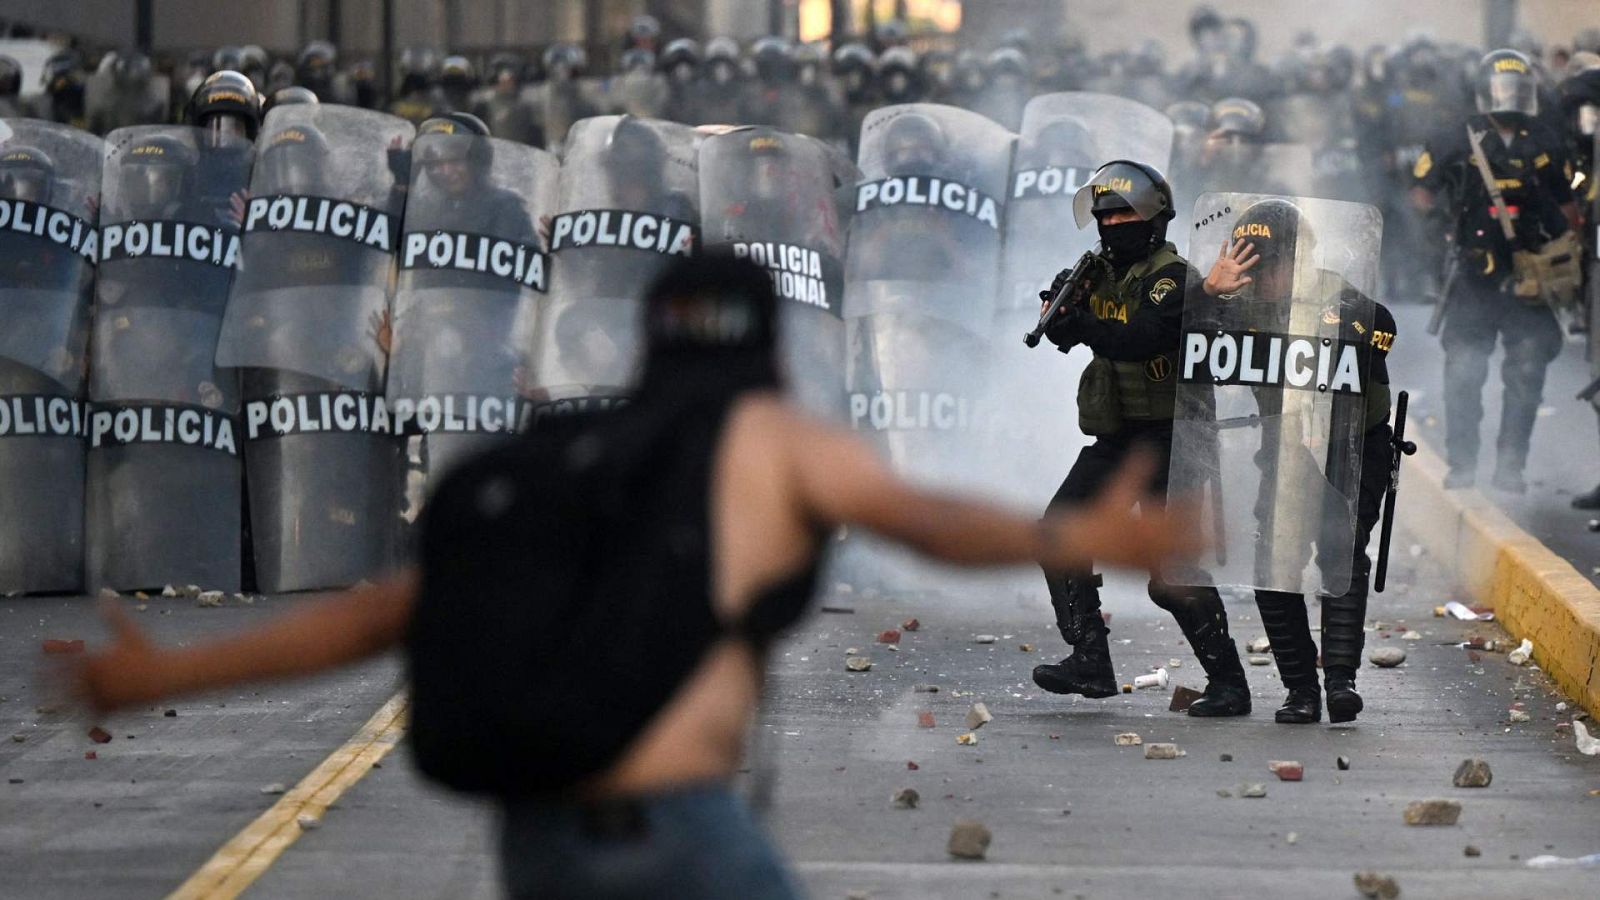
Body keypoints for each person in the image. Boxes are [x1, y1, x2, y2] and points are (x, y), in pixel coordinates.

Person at [73, 250, 1203, 900]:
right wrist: (1070, 540)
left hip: (539, 845)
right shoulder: (760, 434)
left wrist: (160, 673)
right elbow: (921, 518)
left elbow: (372, 622)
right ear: (764, 344)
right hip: (675, 837)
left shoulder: (564, 460)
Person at [1030, 161, 1251, 717]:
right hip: (1118, 435)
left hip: (1173, 438)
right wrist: (1058, 308)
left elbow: (1138, 339)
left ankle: (1230, 685)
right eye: (1104, 215)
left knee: (1171, 573)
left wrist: (1079, 324)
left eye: (1125, 213)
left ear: (1153, 219)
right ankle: (1090, 661)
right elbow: (1058, 328)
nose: (1112, 224)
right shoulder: (1096, 271)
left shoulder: (1171, 278)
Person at [1202, 199, 1397, 723]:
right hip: (1285, 448)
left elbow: (1382, 328)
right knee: (1274, 562)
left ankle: (1340, 683)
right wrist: (1209, 295)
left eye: (1270, 263)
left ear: (1299, 257)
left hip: (1351, 449)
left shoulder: (1338, 298)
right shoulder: (1237, 306)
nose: (1260, 276)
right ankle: (1299, 691)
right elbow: (1182, 339)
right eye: (1250, 262)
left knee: (1342, 553)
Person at [1411, 49, 1582, 493]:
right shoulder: (1455, 136)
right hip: (1472, 276)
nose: (1508, 96)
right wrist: (1440, 235)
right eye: (1501, 87)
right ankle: (1463, 463)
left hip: (1529, 277)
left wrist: (1561, 250)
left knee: (1527, 373)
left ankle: (1511, 466)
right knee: (1464, 373)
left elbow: (1567, 204)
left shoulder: (1544, 139)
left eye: (1517, 88)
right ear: (1484, 90)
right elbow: (1422, 192)